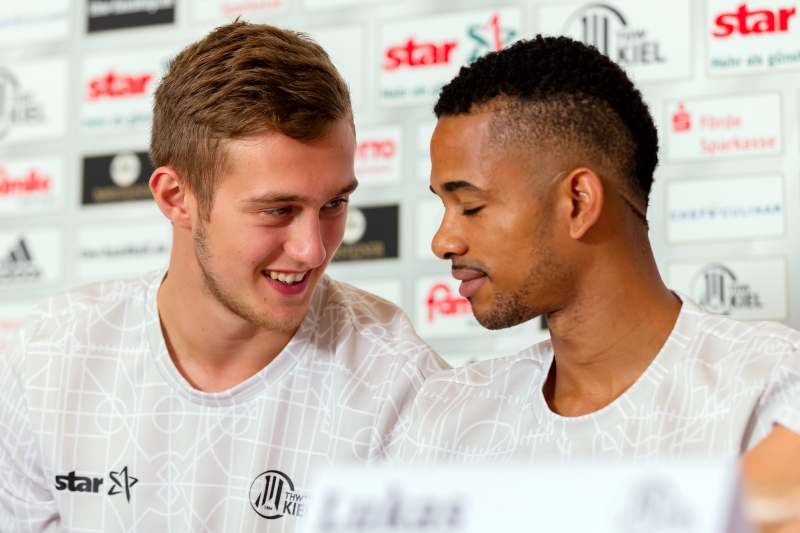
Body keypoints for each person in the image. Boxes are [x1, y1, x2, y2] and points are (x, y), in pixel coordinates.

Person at [0, 21, 447, 532]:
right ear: (176, 197)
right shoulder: (49, 357)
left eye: (334, 204)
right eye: (278, 210)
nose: (313, 249)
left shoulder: (400, 385)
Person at [397, 36, 800, 483]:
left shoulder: (774, 387)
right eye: (444, 206)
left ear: (579, 202)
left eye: (471, 207)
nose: (442, 241)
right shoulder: (446, 414)